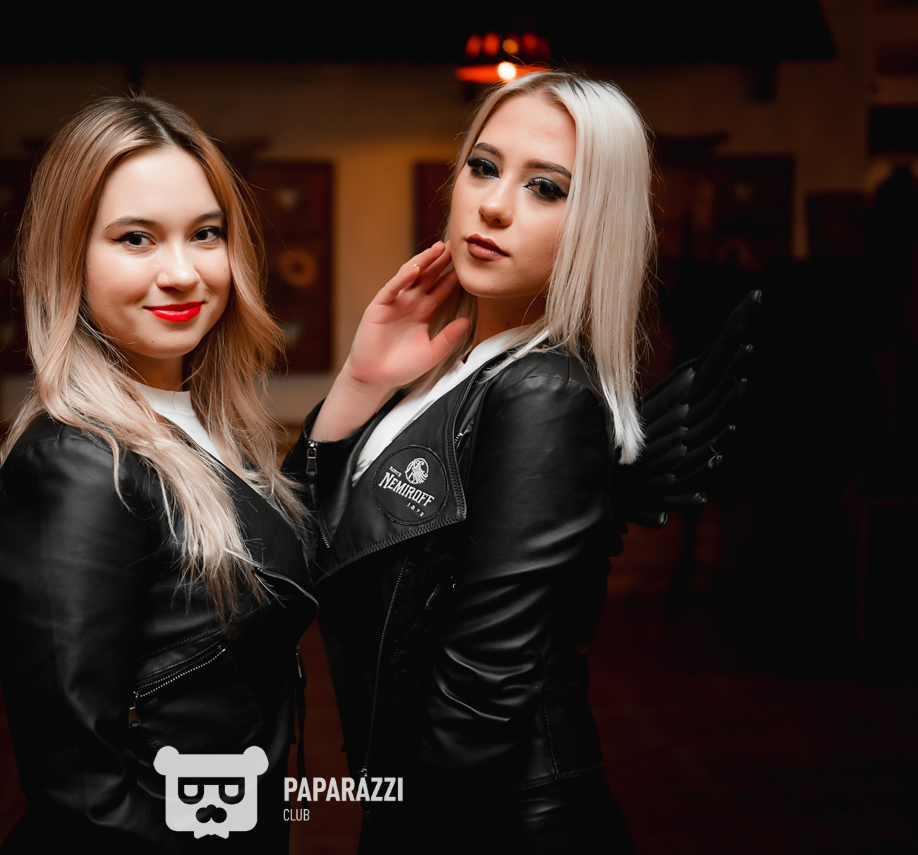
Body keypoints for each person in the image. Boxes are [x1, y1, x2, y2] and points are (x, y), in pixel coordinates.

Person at [289, 71, 753, 852]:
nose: (495, 205)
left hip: (494, 822)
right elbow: (290, 549)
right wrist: (362, 380)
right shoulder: (453, 371)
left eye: (546, 187)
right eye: (483, 167)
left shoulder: (544, 392)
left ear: (596, 224)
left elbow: (481, 691)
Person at [0, 94, 317, 853]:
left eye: (205, 233)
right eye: (136, 238)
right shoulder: (78, 462)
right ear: (68, 256)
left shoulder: (199, 422)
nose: (182, 272)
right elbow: (84, 798)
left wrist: (363, 382)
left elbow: (272, 540)